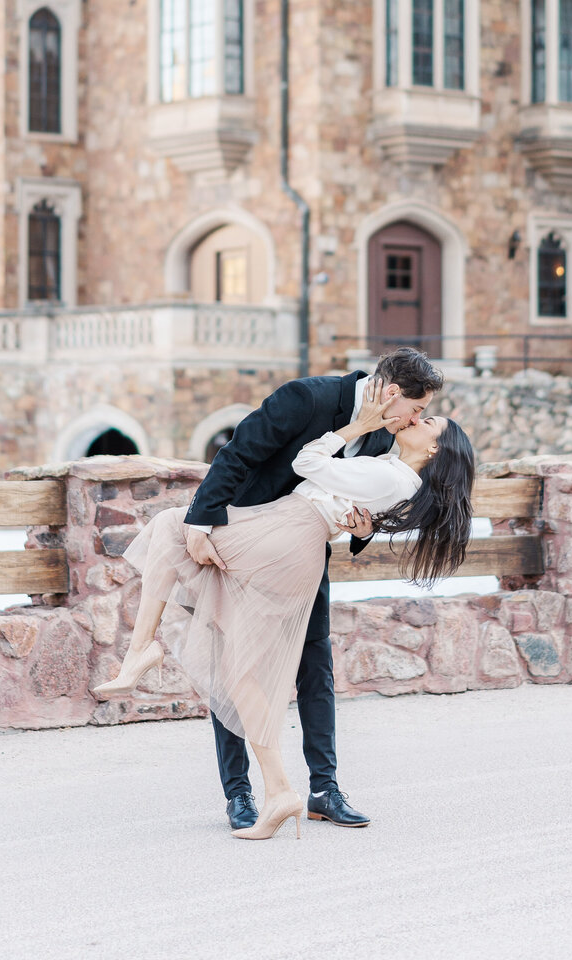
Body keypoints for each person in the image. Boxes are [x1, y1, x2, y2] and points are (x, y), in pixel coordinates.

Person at [95, 355, 475, 841]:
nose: (416, 417)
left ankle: (322, 788)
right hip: (250, 531)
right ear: (391, 391)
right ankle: (249, 793)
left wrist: (364, 529)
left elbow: (371, 495)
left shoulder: (386, 432)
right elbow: (236, 455)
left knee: (308, 667)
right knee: (230, 662)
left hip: (292, 547)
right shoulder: (309, 398)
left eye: (425, 416)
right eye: (418, 407)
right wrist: (202, 521)